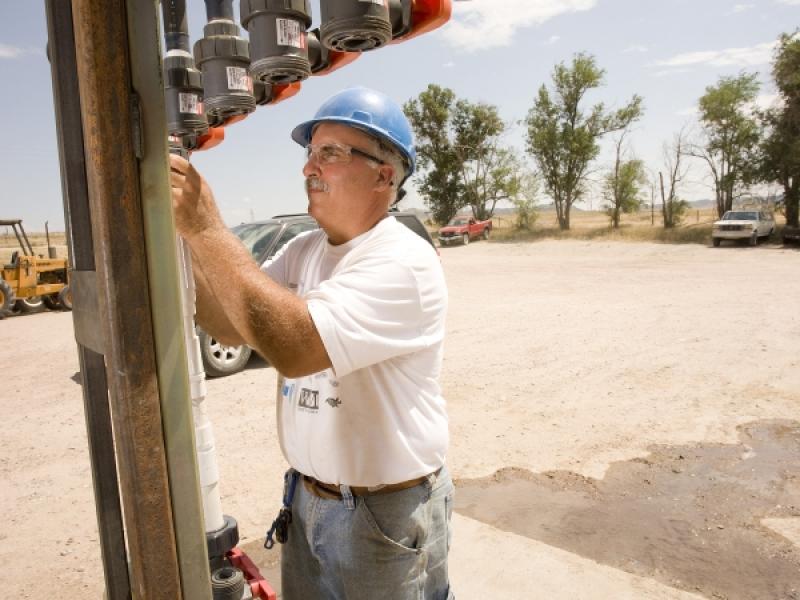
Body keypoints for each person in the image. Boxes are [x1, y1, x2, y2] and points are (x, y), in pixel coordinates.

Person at [170, 87, 454, 600]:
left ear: (385, 175)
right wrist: (188, 238)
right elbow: (234, 324)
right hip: (307, 498)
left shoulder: (402, 261)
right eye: (309, 153)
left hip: (379, 513)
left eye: (330, 153)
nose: (309, 168)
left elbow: (295, 349)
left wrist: (208, 226)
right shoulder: (306, 248)